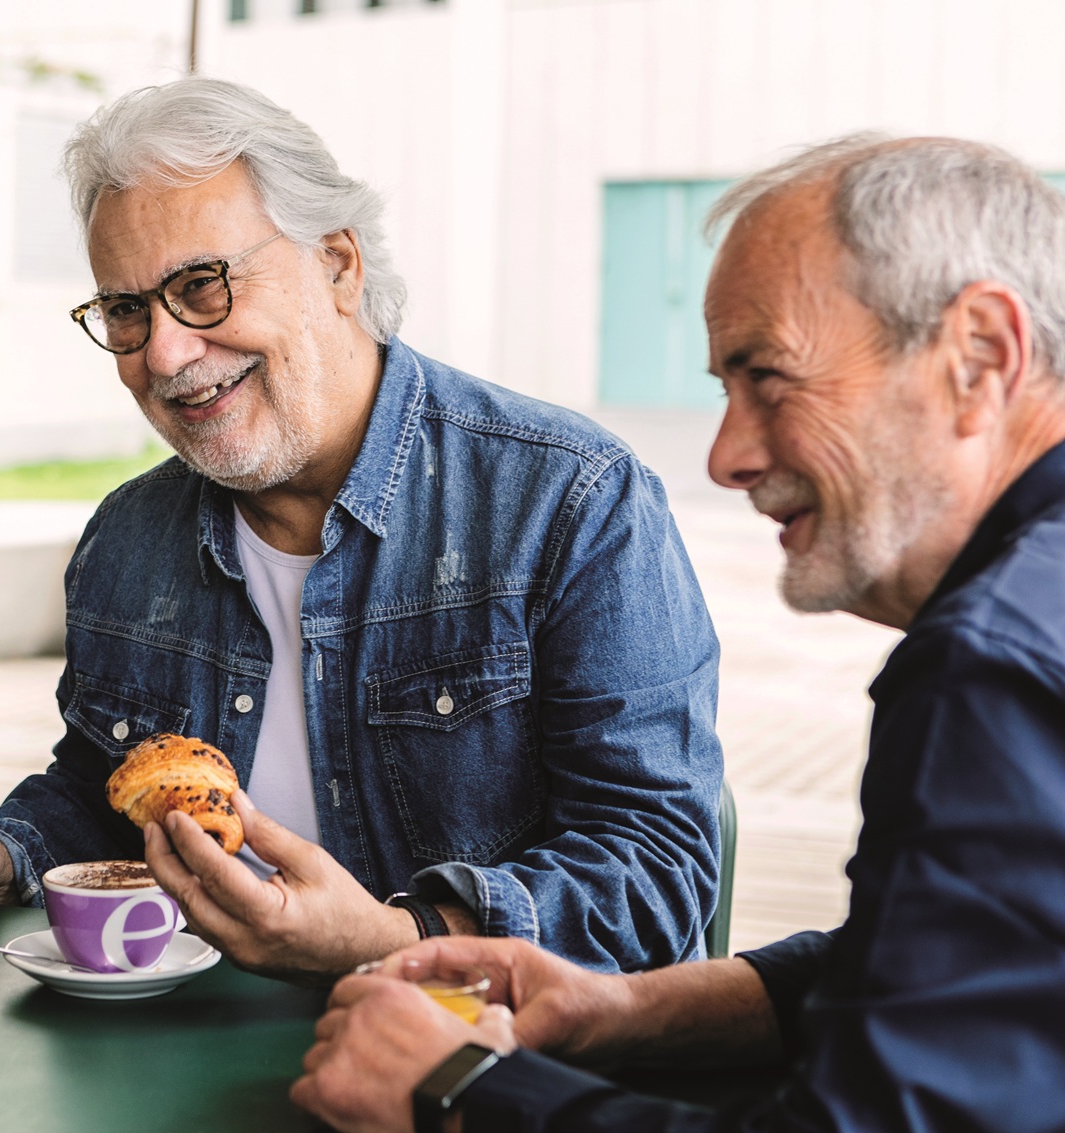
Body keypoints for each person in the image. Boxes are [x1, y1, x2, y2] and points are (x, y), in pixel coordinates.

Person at [0, 77, 722, 981]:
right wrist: (2, 853)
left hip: (488, 1063)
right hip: (195, 1058)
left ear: (338, 265)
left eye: (201, 285)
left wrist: (404, 940)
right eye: (126, 310)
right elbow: (101, 786)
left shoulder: (572, 502)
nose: (163, 353)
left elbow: (657, 874)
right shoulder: (125, 539)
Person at [291, 134, 1065, 1132]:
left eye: (767, 375)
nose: (724, 455)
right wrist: (627, 1009)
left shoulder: (989, 666)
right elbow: (968, 975)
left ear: (979, 357)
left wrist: (461, 1089)